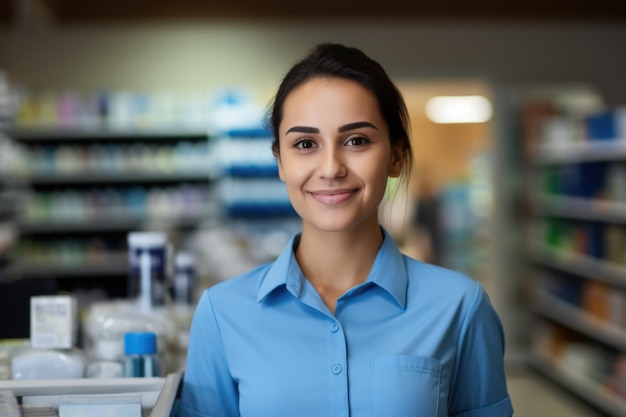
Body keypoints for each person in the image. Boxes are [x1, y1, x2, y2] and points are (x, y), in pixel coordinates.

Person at [177, 43, 514, 417]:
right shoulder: (222, 314)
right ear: (280, 163)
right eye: (305, 144)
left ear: (396, 156)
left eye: (356, 141)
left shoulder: (460, 307)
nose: (331, 168)